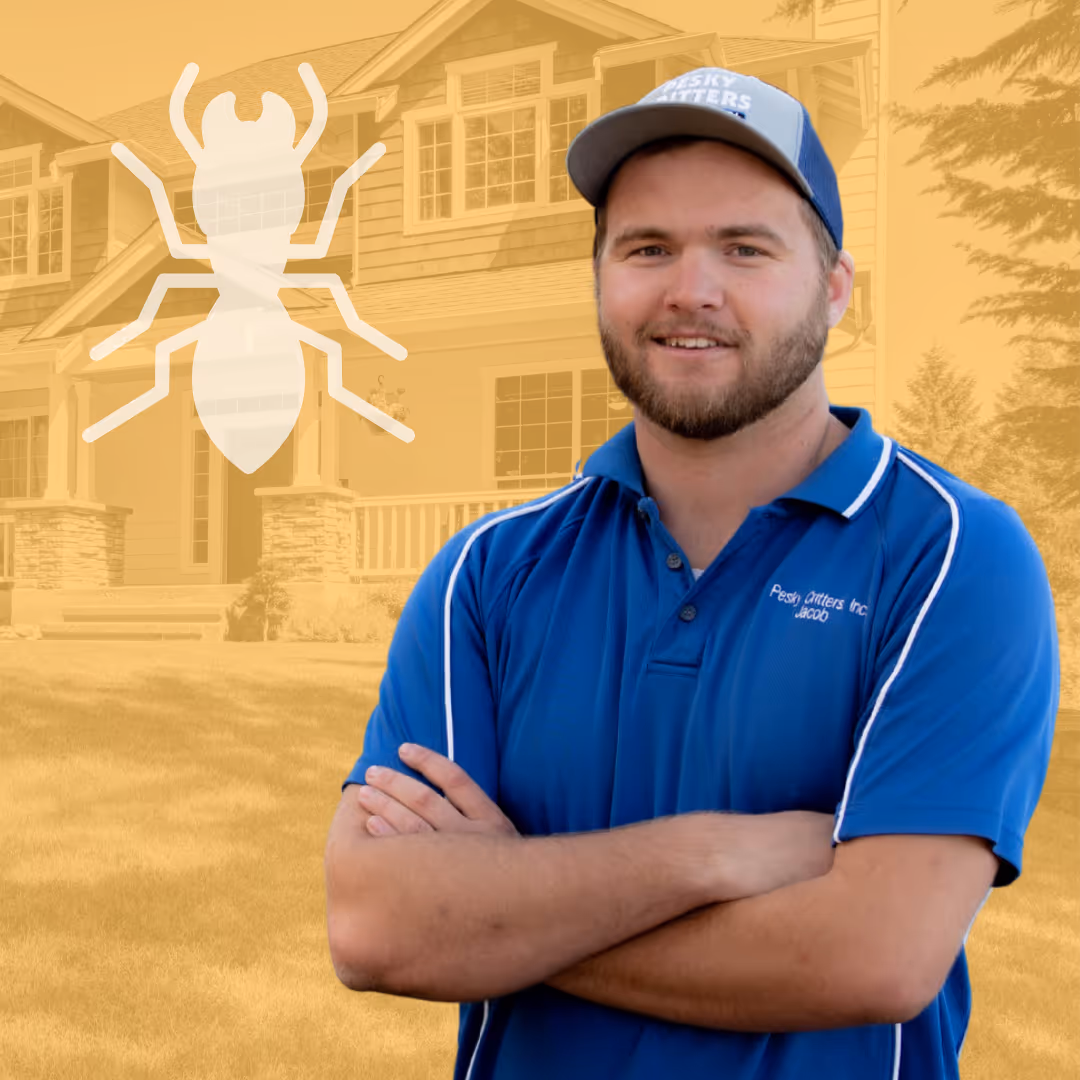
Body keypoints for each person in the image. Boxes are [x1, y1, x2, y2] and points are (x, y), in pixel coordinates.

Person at [323, 66, 1059, 1080]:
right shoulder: (486, 575)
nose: (691, 290)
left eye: (744, 248)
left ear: (837, 285)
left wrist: (500, 909)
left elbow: (878, 956)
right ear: (599, 280)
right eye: (648, 248)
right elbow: (376, 926)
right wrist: (714, 855)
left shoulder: (951, 556)